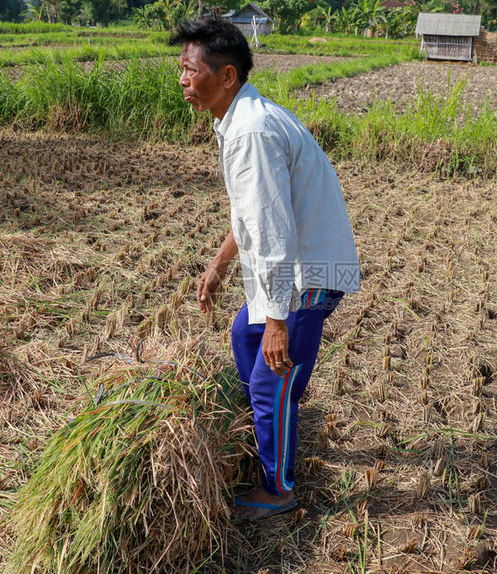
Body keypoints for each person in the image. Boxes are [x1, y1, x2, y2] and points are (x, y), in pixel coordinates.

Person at [170, 19, 360, 521]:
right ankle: (276, 428)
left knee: (268, 376)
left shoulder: (251, 130)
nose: (183, 80)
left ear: (226, 75)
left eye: (191, 70)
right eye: (181, 69)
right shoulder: (237, 120)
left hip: (307, 274)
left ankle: (279, 489)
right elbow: (251, 213)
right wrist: (218, 266)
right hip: (294, 267)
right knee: (244, 337)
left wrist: (277, 319)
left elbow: (274, 230)